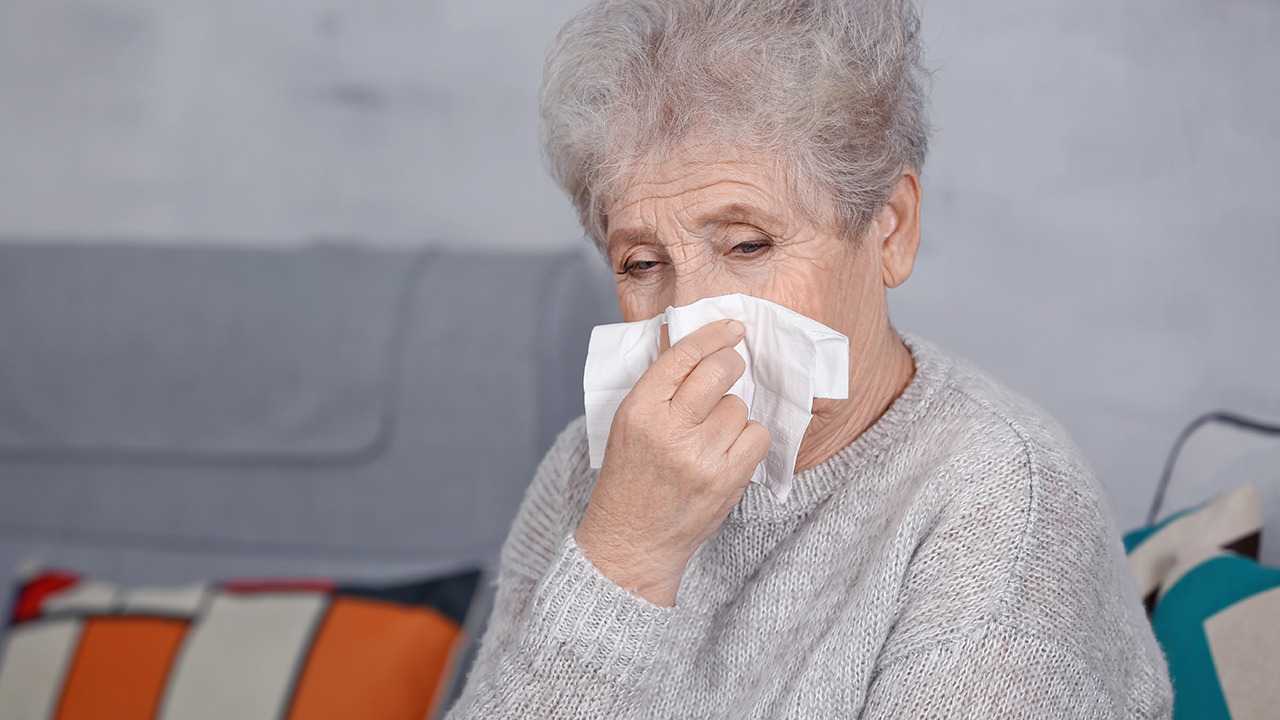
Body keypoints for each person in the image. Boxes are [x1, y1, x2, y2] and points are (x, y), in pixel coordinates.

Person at [446, 0, 1172, 717]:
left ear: (891, 230)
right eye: (641, 263)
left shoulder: (1006, 512)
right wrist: (623, 555)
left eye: (748, 245)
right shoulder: (591, 471)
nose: (686, 319)